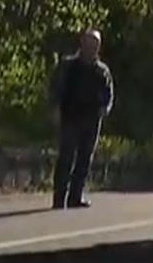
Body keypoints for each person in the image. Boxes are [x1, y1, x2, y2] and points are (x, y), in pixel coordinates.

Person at [48, 29, 114, 209]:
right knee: (66, 157)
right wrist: (55, 108)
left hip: (92, 119)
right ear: (81, 44)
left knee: (85, 159)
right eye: (88, 43)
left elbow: (109, 94)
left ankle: (75, 197)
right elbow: (57, 88)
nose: (91, 47)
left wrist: (105, 109)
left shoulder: (102, 71)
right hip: (71, 116)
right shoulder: (68, 66)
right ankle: (59, 197)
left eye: (95, 44)